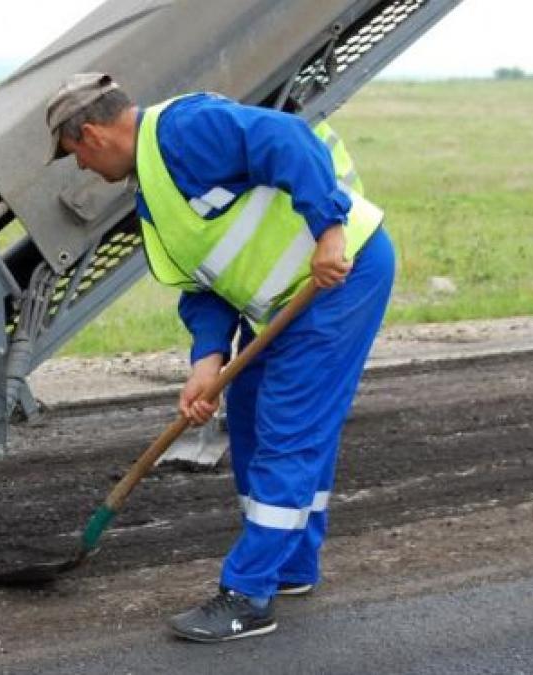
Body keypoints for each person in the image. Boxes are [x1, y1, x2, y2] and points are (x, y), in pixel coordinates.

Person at [45, 73, 394, 642]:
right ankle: (290, 567)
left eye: (72, 155)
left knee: (290, 430)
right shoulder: (152, 191)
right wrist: (206, 361)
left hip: (338, 281)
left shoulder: (182, 129)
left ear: (89, 135)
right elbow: (204, 284)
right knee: (253, 422)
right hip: (281, 305)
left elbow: (288, 138)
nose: (80, 169)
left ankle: (247, 596)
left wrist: (329, 231)